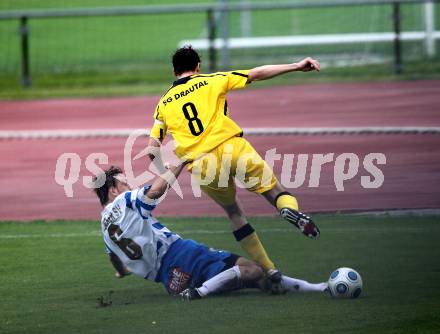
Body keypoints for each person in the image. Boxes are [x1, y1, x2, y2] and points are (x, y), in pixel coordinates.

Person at [147, 46, 321, 283]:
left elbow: (152, 146)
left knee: (234, 212)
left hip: (202, 163)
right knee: (275, 191)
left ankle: (270, 269)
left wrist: (162, 170)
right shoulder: (213, 80)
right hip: (232, 147)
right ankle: (287, 209)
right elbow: (256, 73)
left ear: (174, 70)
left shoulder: (164, 103)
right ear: (198, 66)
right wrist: (296, 66)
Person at [93, 165, 328, 300]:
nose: (129, 186)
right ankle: (199, 292)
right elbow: (154, 191)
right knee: (254, 269)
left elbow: (113, 257)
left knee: (260, 279)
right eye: (124, 183)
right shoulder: (124, 201)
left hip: (169, 279)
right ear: (113, 190)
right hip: (181, 255)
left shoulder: (104, 227)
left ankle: (318, 288)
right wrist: (180, 162)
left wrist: (122, 272)